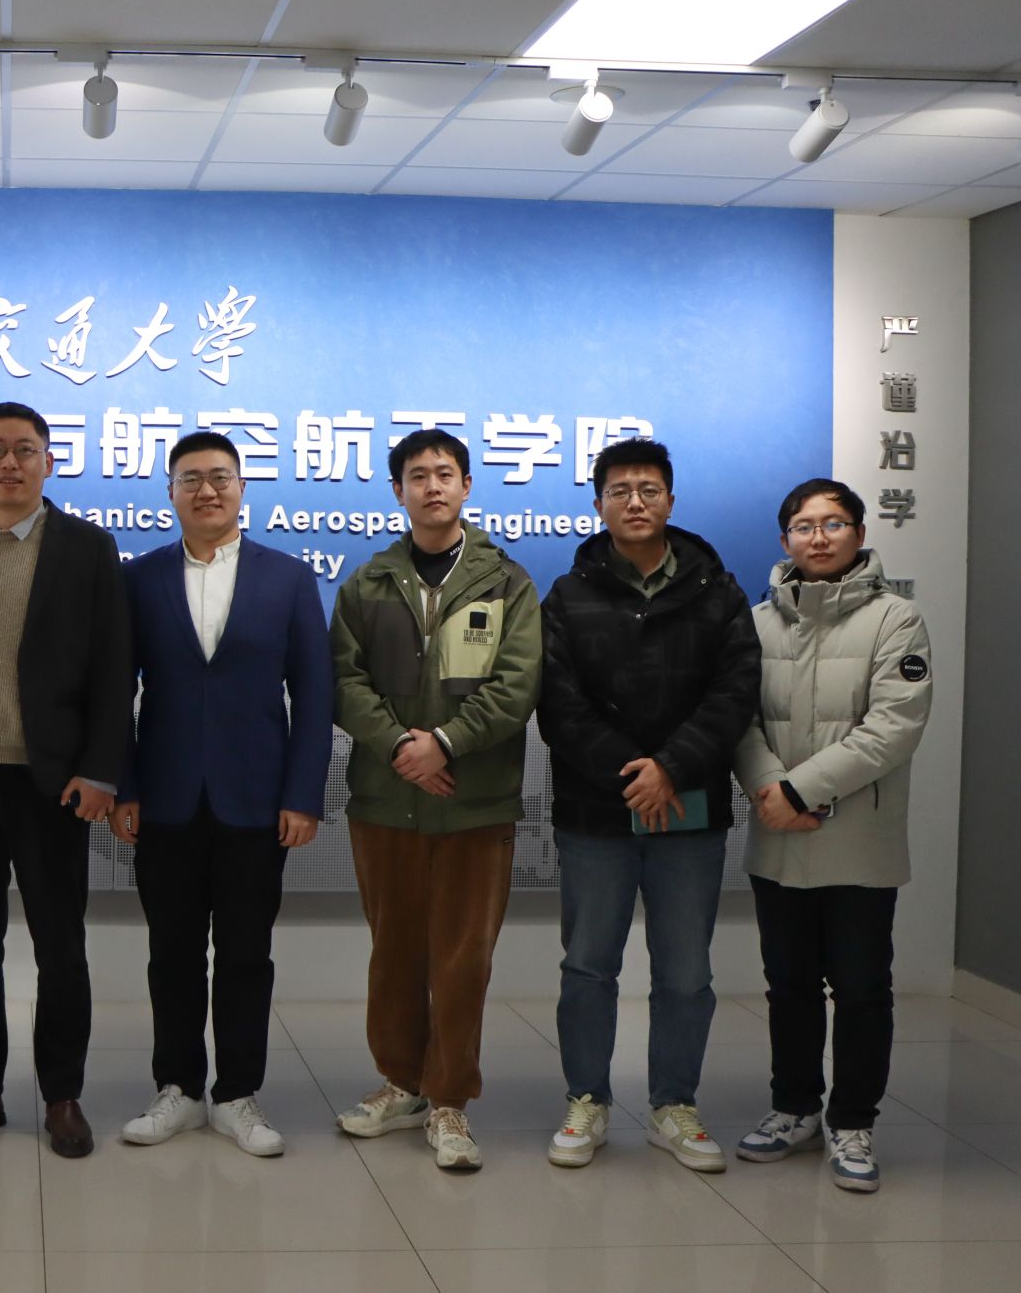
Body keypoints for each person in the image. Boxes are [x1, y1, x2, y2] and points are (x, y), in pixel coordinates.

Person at [0, 401, 133, 1160]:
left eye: (26, 450)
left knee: (60, 948)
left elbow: (114, 668)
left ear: (49, 462)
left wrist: (101, 770)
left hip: (54, 786)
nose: (11, 462)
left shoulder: (87, 547)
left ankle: (62, 1095)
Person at [538, 438, 761, 1172]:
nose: (635, 502)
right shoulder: (568, 596)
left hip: (688, 809)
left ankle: (674, 1104)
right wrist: (633, 773)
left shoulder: (717, 591)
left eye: (649, 489)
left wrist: (671, 768)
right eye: (620, 490)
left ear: (670, 498)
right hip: (595, 812)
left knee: (685, 972)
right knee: (588, 966)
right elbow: (558, 705)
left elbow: (735, 693)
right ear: (598, 503)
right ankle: (587, 1099)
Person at [111, 431, 331, 1158]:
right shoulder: (140, 578)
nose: (206, 490)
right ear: (170, 493)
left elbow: (315, 695)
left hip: (257, 802)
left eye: (219, 477)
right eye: (190, 479)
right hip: (164, 799)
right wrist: (125, 786)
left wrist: (303, 795)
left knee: (245, 954)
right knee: (170, 953)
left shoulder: (288, 578)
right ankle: (176, 1088)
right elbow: (116, 693)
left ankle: (237, 1094)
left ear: (241, 488)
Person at [329, 429, 541, 1172]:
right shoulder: (367, 584)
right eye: (417, 476)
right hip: (386, 801)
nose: (432, 486)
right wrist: (400, 747)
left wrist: (445, 743)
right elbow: (344, 682)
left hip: (474, 803)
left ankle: (449, 1098)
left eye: (444, 474)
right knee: (393, 951)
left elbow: (517, 685)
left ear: (467, 485)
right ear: (398, 491)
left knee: (462, 957)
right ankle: (402, 1083)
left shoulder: (507, 583)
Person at [732, 479, 932, 1193]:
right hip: (778, 837)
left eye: (833, 524)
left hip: (858, 841)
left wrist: (797, 792)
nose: (818, 537)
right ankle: (794, 1108)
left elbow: (893, 726)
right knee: (788, 985)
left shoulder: (896, 619)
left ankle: (852, 1120)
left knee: (861, 988)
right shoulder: (757, 623)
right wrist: (770, 789)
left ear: (859, 533)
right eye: (804, 526)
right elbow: (739, 721)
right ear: (784, 538)